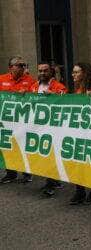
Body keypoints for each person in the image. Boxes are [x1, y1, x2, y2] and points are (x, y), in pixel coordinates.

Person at [29, 62, 67, 197]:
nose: (42, 73)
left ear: (51, 72)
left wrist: (53, 95)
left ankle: (51, 184)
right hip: (38, 127)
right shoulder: (34, 86)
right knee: (43, 154)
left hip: (53, 128)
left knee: (51, 155)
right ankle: (53, 180)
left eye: (45, 71)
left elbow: (67, 103)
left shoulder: (59, 86)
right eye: (40, 71)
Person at [69, 62, 91, 205]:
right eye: (73, 72)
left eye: (77, 72)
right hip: (78, 133)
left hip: (90, 134)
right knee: (77, 163)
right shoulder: (76, 91)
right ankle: (79, 190)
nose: (73, 75)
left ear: (85, 74)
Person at [0, 56, 35, 184]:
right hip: (7, 121)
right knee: (8, 146)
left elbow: (36, 97)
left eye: (23, 65)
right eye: (19, 65)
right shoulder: (1, 79)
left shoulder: (30, 81)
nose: (22, 67)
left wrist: (28, 94)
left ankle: (27, 172)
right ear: (11, 67)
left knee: (23, 146)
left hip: (22, 121)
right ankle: (11, 173)